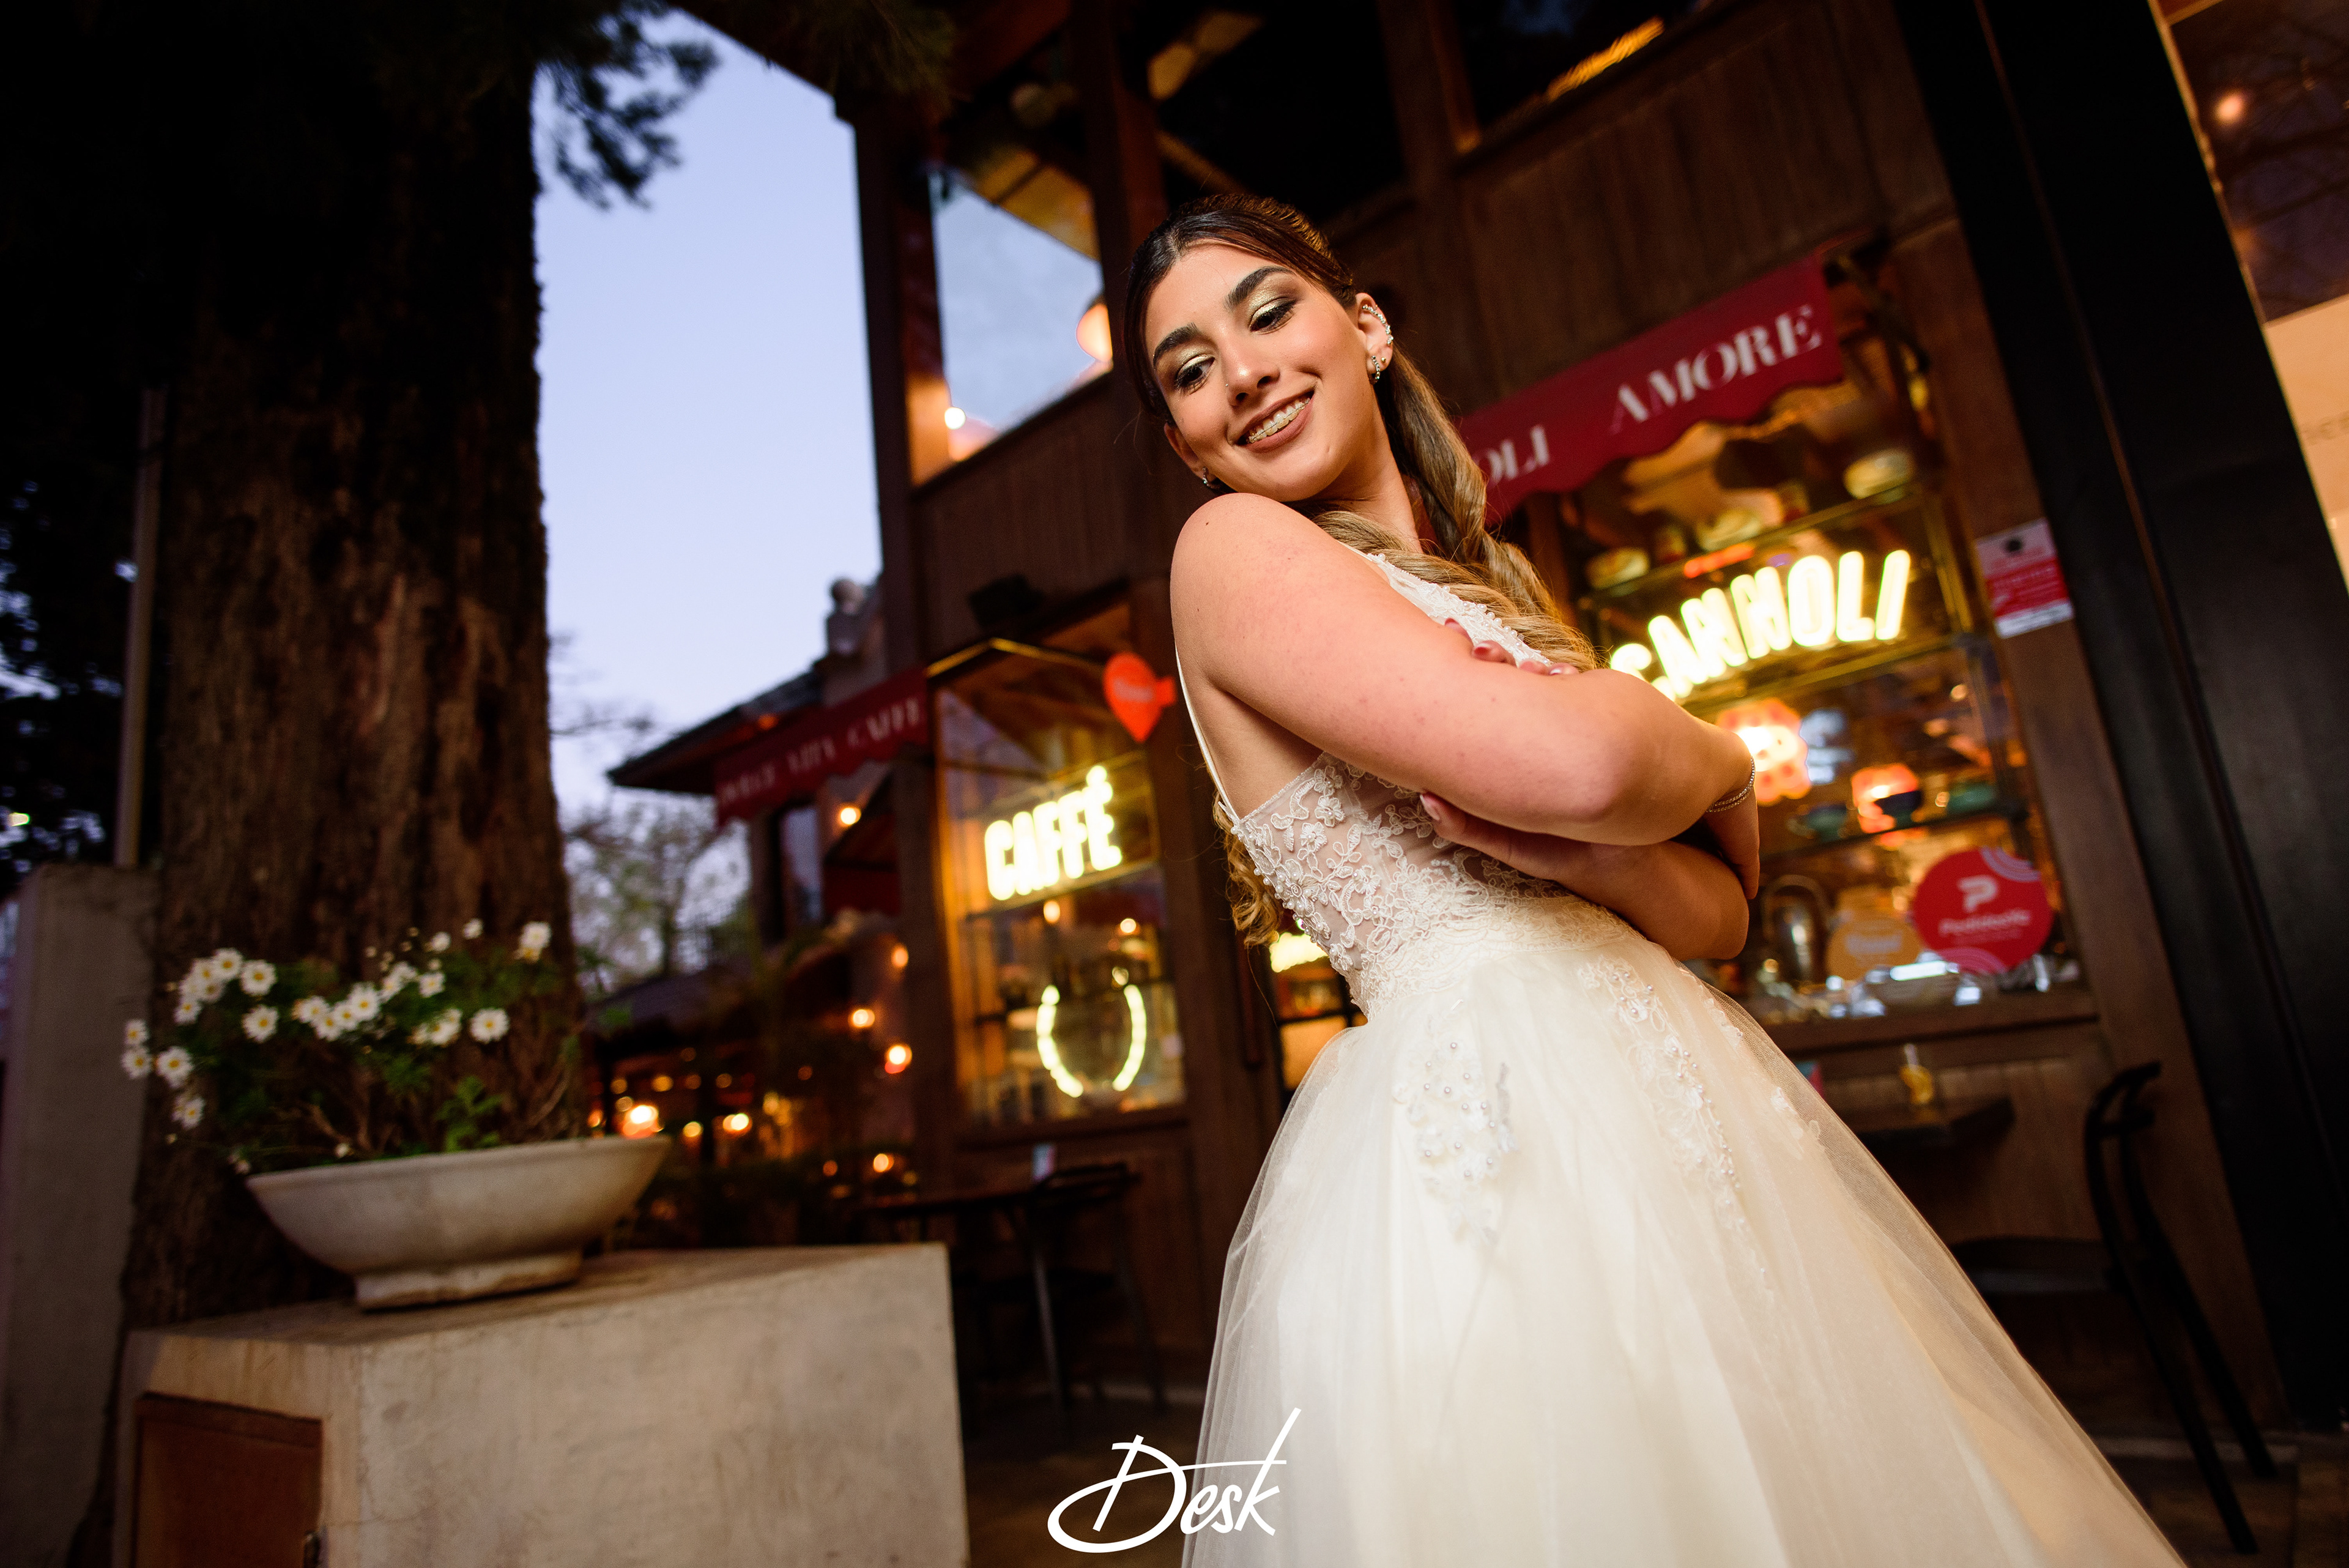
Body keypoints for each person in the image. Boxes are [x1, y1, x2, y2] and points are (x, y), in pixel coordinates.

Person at [1129, 195, 2181, 1566]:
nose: (1244, 372)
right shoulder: (1233, 551)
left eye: (1269, 312)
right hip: (1501, 1130)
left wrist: (1625, 807)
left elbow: (1713, 913)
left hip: (1679, 1104)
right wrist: (1721, 760)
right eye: (1192, 370)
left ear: (1368, 327)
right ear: (1186, 442)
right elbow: (1576, 767)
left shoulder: (1489, 594)